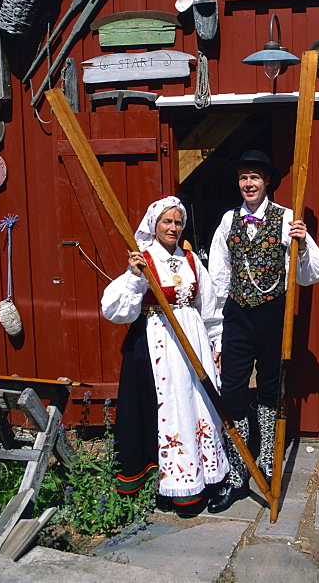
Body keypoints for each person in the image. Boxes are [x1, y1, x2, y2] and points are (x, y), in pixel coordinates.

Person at [206, 149, 319, 512]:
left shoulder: (288, 219)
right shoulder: (228, 221)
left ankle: (268, 461)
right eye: (243, 178)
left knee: (272, 389)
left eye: (254, 177)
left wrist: (302, 245)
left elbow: (316, 272)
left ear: (267, 182)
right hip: (238, 316)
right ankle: (238, 469)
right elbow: (217, 278)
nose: (248, 184)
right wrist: (217, 333)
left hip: (275, 315)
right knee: (232, 389)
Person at [101, 196, 228, 515]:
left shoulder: (190, 258)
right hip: (157, 343)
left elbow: (209, 308)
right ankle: (169, 486)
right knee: (169, 408)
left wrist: (216, 344)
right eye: (166, 222)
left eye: (177, 222)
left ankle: (203, 482)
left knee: (198, 406)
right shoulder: (142, 259)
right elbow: (114, 310)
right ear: (154, 225)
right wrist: (134, 276)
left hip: (193, 339)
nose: (173, 227)